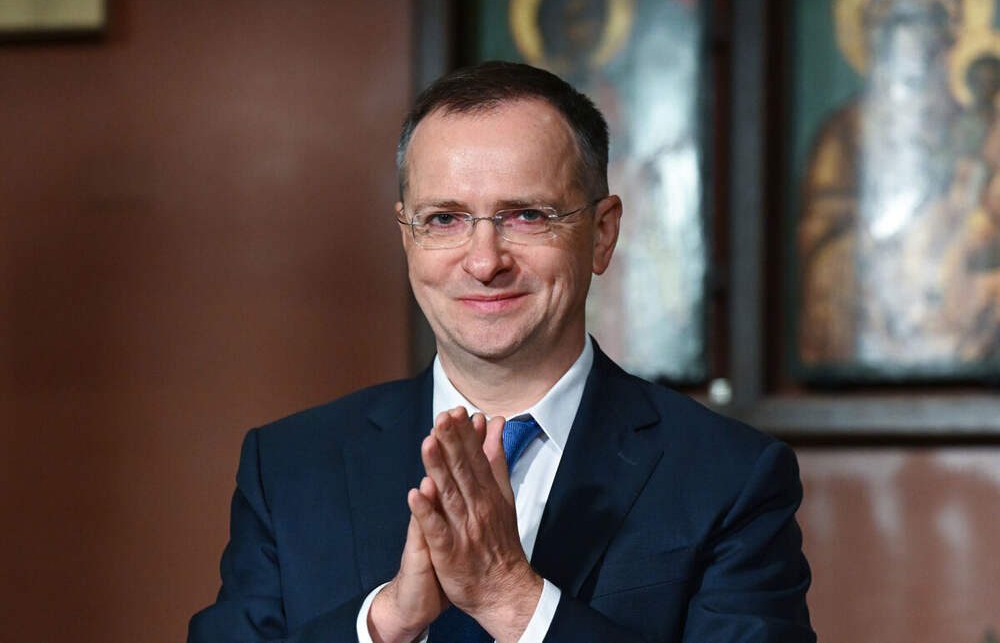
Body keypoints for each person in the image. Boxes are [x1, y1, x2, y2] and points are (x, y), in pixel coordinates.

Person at [189, 61, 814, 642]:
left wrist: (513, 600)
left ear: (602, 234)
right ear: (407, 237)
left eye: (526, 216)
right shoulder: (289, 467)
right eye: (444, 219)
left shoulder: (729, 477)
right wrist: (386, 622)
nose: (485, 262)